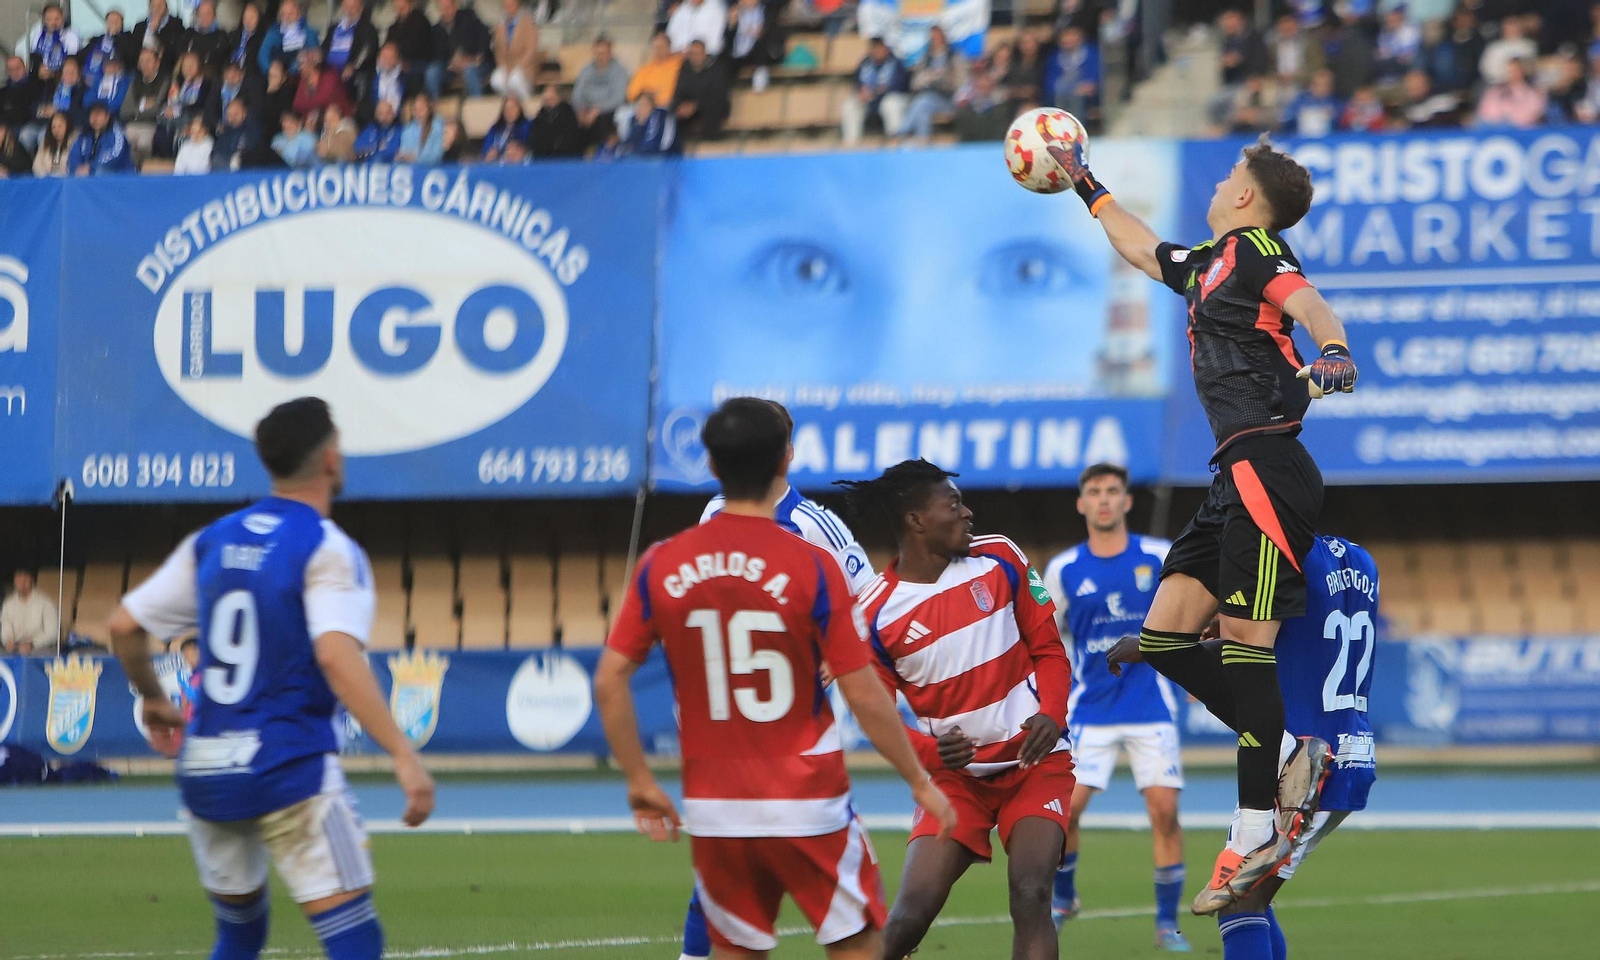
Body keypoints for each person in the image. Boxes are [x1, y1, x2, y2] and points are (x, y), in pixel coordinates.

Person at [1042, 135, 1357, 915]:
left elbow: (1307, 301)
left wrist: (1336, 347)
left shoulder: (1255, 250)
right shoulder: (1208, 264)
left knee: (1248, 647)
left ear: (1248, 197)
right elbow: (1141, 246)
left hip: (1267, 470)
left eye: (1228, 177)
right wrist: (1087, 184)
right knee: (1164, 637)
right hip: (1232, 476)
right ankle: (1286, 752)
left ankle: (1255, 826)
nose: (1218, 184)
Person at [595, 398, 956, 960]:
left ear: (711, 464)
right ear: (786, 456)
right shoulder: (808, 563)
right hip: (806, 790)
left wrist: (640, 779)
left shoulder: (665, 561)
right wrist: (918, 777)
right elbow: (863, 684)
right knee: (859, 942)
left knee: (736, 943)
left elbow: (610, 678)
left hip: (715, 794)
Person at [108, 397, 436, 960]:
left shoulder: (211, 541)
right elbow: (335, 656)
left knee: (239, 936)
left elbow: (122, 625)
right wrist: (403, 754)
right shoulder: (328, 549)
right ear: (331, 458)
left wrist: (154, 700)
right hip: (291, 769)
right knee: (356, 937)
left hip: (209, 771)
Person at [836, 459, 1072, 960]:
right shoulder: (874, 613)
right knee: (907, 916)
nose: (968, 513)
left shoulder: (1001, 557)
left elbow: (1050, 650)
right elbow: (873, 715)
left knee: (1031, 892)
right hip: (954, 781)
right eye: (954, 504)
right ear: (916, 521)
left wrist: (1052, 713)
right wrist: (929, 751)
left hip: (1034, 765)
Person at [1106, 533, 1375, 960]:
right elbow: (1303, 644)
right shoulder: (1361, 560)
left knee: (1237, 899)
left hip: (1300, 760)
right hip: (1352, 748)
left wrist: (1159, 645)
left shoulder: (1285, 557)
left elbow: (1250, 647)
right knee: (1254, 899)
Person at [675, 399, 877, 960]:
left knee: (783, 855)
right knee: (728, 859)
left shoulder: (816, 523)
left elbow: (869, 597)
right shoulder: (713, 513)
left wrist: (840, 653)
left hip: (797, 721)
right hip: (734, 720)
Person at [1041, 463, 1188, 951]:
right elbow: (1048, 638)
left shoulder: (1160, 555)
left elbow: (1187, 616)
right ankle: (1065, 897)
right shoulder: (1062, 570)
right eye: (1094, 492)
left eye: (1112, 491)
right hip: (1090, 709)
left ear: (1127, 501)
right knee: (1067, 810)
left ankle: (1167, 923)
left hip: (1151, 704)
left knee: (1164, 811)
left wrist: (1194, 670)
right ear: (1081, 504)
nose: (1104, 499)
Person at [899, 26, 967, 144]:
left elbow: (963, 83)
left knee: (923, 101)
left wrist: (945, 78)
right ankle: (923, 143)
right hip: (928, 96)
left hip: (948, 98)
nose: (935, 40)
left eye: (938, 37)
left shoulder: (953, 57)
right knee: (922, 110)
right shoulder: (926, 59)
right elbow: (914, 84)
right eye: (933, 37)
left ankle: (903, 132)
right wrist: (926, 77)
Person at [840, 37, 908, 145]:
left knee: (891, 104)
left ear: (886, 49)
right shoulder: (865, 63)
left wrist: (878, 91)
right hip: (868, 100)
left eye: (880, 47)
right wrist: (860, 92)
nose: (878, 51)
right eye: (875, 48)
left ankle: (894, 142)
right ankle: (851, 143)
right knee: (850, 106)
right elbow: (857, 83)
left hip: (889, 98)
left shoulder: (896, 63)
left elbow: (901, 86)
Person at [427, 0, 491, 100]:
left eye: (448, 7)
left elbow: (485, 37)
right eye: (442, 8)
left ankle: (477, 107)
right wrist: (452, 64)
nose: (446, 11)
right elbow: (436, 55)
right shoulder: (436, 30)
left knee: (470, 70)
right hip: (450, 68)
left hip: (476, 63)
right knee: (432, 72)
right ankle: (435, 110)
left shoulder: (469, 17)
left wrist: (473, 58)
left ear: (455, 5)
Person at [572, 36, 629, 147]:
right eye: (598, 53)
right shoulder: (586, 70)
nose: (601, 56)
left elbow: (618, 99)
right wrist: (580, 109)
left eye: (604, 53)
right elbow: (578, 92)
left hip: (609, 110)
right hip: (587, 109)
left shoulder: (619, 71)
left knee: (601, 120)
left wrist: (598, 110)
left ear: (610, 53)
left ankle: (602, 152)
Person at [671, 39, 728, 142]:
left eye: (698, 53)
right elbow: (678, 92)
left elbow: (718, 95)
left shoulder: (716, 69)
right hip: (690, 109)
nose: (695, 57)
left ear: (704, 54)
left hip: (711, 107)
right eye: (692, 54)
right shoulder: (685, 69)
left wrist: (695, 106)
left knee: (712, 115)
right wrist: (679, 107)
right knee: (672, 118)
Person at [323, 0, 379, 99]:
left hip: (352, 72)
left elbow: (368, 50)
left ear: (360, 9)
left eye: (352, 7)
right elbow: (323, 49)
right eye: (346, 6)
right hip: (330, 72)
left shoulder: (367, 28)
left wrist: (353, 66)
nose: (348, 10)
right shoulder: (333, 28)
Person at [122, 48, 169, 159]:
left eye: (148, 61)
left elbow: (156, 109)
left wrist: (136, 108)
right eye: (142, 61)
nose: (144, 64)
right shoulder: (135, 82)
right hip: (132, 124)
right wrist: (143, 106)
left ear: (157, 63)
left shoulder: (164, 80)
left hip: (151, 124)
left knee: (143, 144)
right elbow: (124, 111)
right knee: (124, 143)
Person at [1475, 57, 1546, 128]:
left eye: (1515, 70)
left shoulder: (1534, 92)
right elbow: (1486, 115)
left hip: (1524, 132)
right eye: (1509, 70)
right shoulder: (1494, 92)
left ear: (1522, 71)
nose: (1512, 73)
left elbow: (1533, 115)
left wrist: (1512, 121)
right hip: (1497, 131)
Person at [491, 0, 541, 101]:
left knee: (515, 79)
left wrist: (516, 67)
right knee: (496, 80)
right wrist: (504, 66)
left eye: (510, 5)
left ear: (517, 6)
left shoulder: (527, 22)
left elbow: (531, 49)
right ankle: (509, 105)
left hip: (524, 66)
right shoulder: (500, 25)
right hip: (506, 66)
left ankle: (526, 103)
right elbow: (498, 51)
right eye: (505, 6)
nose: (508, 8)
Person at [1, 569, 60, 655]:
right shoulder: (8, 604)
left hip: (40, 649)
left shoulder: (46, 603)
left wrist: (32, 644)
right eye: (19, 578)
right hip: (16, 649)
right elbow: (6, 627)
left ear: (32, 579)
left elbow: (52, 633)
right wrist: (8, 641)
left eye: (25, 578)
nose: (22, 582)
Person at [70, 101, 135, 174]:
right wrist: (77, 168)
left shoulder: (116, 132)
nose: (94, 118)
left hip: (118, 176)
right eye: (92, 114)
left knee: (100, 171)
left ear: (107, 117)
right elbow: (73, 155)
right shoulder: (84, 134)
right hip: (88, 176)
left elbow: (114, 155)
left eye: (98, 114)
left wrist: (91, 167)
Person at [259, 0, 320, 77]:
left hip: (297, 75)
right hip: (274, 74)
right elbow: (263, 55)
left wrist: (287, 72)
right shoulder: (274, 31)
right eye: (283, 15)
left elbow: (312, 56)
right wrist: (270, 69)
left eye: (291, 14)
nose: (287, 18)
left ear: (299, 14)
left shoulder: (309, 32)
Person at [385, 0, 435, 94]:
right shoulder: (393, 28)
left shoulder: (421, 21)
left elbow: (420, 48)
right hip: (399, 64)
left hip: (419, 63)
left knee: (411, 75)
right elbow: (388, 46)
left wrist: (404, 61)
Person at [293, 47, 351, 122]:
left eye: (302, 63)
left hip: (341, 120)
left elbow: (322, 100)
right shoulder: (303, 80)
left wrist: (307, 110)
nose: (300, 68)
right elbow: (297, 105)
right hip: (316, 121)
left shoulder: (330, 76)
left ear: (313, 64)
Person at [610, 91, 677, 156]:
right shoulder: (634, 120)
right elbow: (631, 141)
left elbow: (653, 144)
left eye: (645, 105)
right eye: (639, 105)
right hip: (638, 156)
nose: (642, 108)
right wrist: (639, 125)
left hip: (660, 156)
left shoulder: (659, 117)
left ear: (652, 107)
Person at [627, 32, 681, 111]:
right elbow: (632, 93)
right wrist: (647, 96)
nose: (658, 51)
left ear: (669, 48)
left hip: (663, 106)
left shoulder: (677, 65)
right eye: (655, 48)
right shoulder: (645, 68)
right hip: (642, 105)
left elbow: (671, 92)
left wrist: (654, 99)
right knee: (622, 114)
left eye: (661, 47)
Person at [134, 0, 189, 76]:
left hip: (166, 69)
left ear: (167, 9)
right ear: (149, 9)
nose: (156, 9)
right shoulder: (139, 26)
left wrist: (155, 31)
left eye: (160, 6)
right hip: (142, 70)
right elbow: (134, 50)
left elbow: (173, 51)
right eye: (153, 6)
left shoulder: (176, 25)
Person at [24, 3, 81, 75]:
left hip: (62, 74)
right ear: (44, 20)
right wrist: (40, 68)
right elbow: (34, 56)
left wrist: (52, 72)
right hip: (41, 74)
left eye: (57, 19)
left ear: (62, 19)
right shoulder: (39, 34)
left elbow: (72, 59)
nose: (53, 22)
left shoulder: (70, 35)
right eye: (49, 19)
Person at [82, 10, 134, 87]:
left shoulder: (128, 39)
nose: (113, 24)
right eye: (111, 21)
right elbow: (82, 55)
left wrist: (115, 36)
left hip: (118, 80)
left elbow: (128, 56)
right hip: (93, 80)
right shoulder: (97, 40)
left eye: (116, 21)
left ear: (122, 24)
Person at [527, 85, 581, 158]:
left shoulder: (568, 115)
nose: (548, 102)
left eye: (551, 99)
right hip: (543, 158)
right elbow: (534, 140)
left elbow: (571, 138)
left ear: (558, 98)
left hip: (565, 158)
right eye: (546, 100)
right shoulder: (540, 117)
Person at [211, 95, 261, 170]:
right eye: (230, 115)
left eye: (236, 114)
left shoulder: (253, 130)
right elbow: (217, 152)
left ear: (244, 113)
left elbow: (251, 151)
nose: (233, 118)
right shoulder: (225, 133)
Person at [183, 1, 231, 76]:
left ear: (214, 16)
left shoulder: (222, 36)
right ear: (197, 15)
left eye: (208, 13)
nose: (204, 17)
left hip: (210, 78)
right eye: (201, 14)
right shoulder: (189, 34)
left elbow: (221, 61)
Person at [397, 93, 444, 163]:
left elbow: (438, 155)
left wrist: (417, 158)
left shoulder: (439, 127)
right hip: (411, 169)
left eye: (421, 109)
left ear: (429, 109)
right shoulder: (408, 129)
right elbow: (403, 152)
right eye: (415, 109)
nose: (418, 113)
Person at [481, 94, 529, 161]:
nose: (509, 112)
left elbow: (527, 146)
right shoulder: (495, 128)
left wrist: (519, 149)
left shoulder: (526, 126)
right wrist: (490, 153)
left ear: (519, 110)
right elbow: (487, 148)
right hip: (497, 164)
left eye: (513, 108)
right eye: (506, 109)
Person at [227, 3, 268, 78]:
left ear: (259, 18)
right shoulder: (234, 35)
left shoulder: (262, 38)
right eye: (246, 17)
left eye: (252, 17)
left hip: (250, 76)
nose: (248, 21)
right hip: (231, 73)